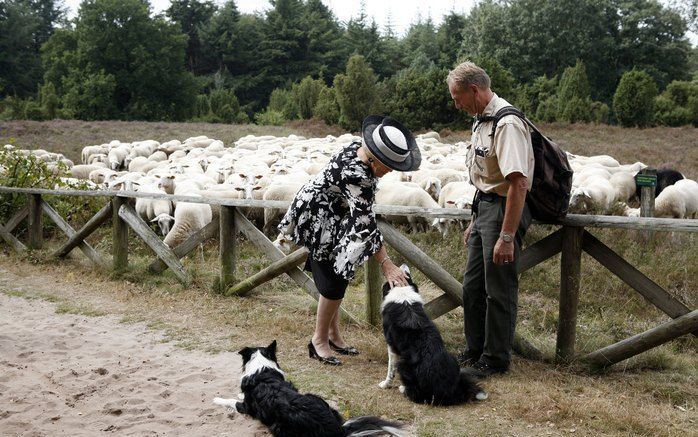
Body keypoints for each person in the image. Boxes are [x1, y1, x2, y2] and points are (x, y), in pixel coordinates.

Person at [278, 115, 421, 365]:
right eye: (388, 165)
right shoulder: (358, 175)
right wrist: (387, 264)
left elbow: (361, 212)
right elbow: (365, 221)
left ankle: (333, 334)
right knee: (334, 282)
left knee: (337, 277)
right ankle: (318, 340)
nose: (389, 172)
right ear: (375, 157)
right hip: (319, 217)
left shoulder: (359, 149)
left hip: (337, 215)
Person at [447, 61, 534, 378]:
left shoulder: (506, 123)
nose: (456, 104)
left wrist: (507, 235)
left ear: (474, 90)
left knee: (499, 287)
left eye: (458, 97)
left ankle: (496, 359)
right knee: (472, 286)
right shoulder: (479, 120)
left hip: (504, 209)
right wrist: (475, 217)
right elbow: (484, 176)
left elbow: (517, 183)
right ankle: (475, 349)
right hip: (484, 206)